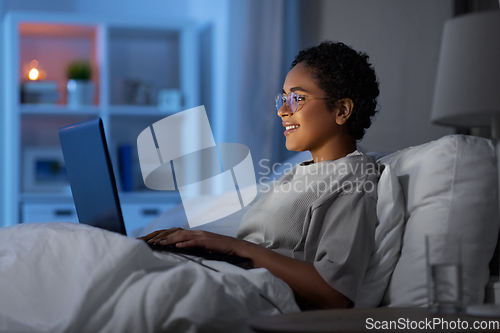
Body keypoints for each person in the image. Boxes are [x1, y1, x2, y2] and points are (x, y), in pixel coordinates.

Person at [140, 41, 380, 310]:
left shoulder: (354, 178)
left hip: (257, 295)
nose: (282, 110)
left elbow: (334, 294)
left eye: (297, 99)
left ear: (342, 110)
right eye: (283, 98)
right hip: (229, 274)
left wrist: (234, 247)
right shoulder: (301, 173)